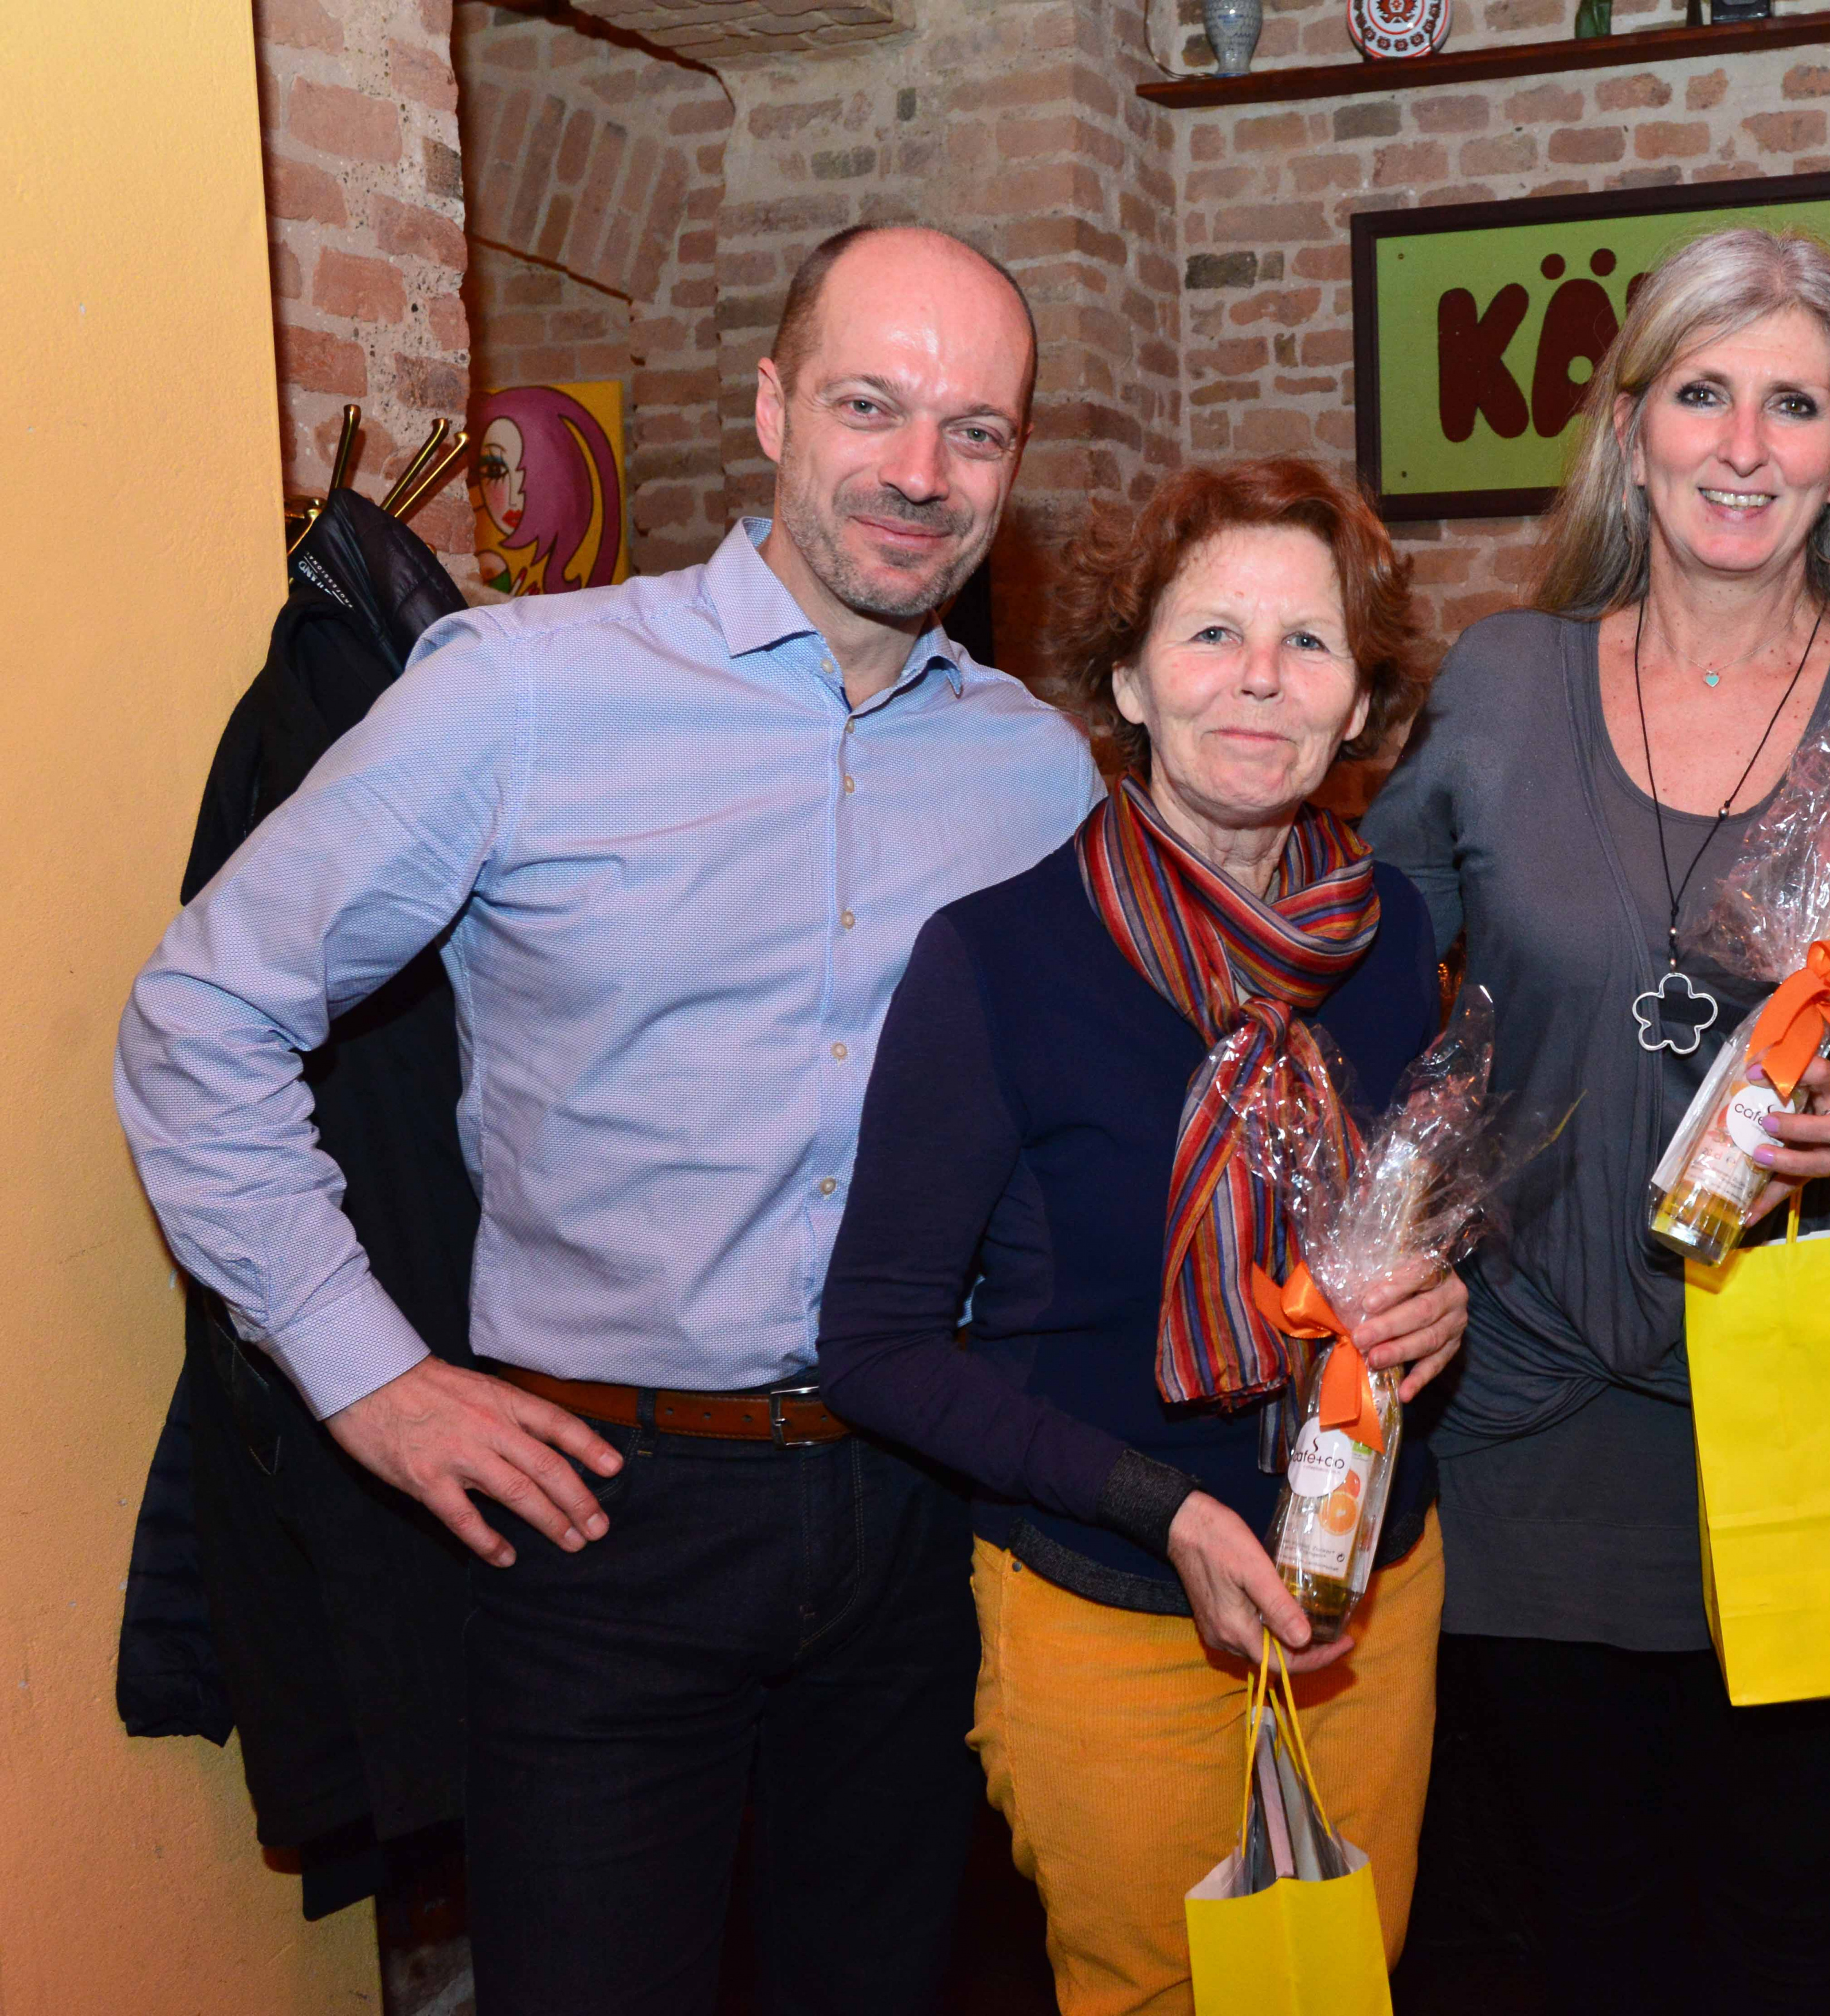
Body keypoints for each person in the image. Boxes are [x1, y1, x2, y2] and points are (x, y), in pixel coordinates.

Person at [114, 223, 1101, 2014]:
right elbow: (203, 1014)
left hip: (921, 1517)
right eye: (869, 405)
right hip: (599, 1521)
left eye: (977, 429)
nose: (920, 470)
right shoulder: (523, 691)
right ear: (771, 407)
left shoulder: (1034, 772)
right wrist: (367, 1373)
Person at [1363, 225, 1830, 2014]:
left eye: (1793, 404)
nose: (1743, 444)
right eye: (1703, 392)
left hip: (1801, 1416)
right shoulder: (1502, 681)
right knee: (1576, 1934)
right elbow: (1366, 984)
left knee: (1782, 1939)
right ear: (1630, 426)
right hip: (1531, 1411)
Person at [816, 458, 1461, 2016]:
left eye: (1309, 642)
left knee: (1343, 1982)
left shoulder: (1393, 938)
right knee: (1156, 1993)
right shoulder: (998, 957)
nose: (1260, 677)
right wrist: (1160, 1508)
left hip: (1366, 1585)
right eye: (1212, 633)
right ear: (1127, 680)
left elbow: (1404, 1227)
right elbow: (876, 1346)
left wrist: (1441, 1296)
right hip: (1111, 1600)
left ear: (1361, 702)